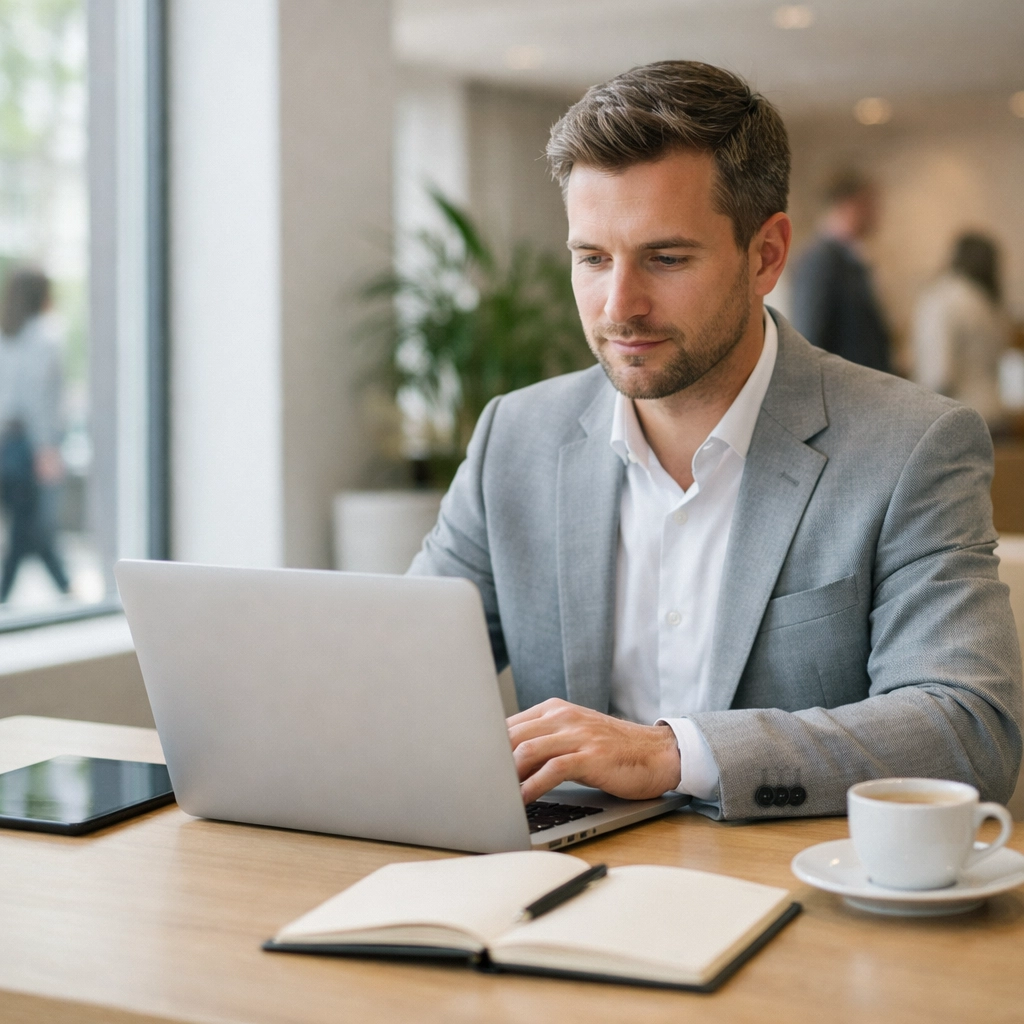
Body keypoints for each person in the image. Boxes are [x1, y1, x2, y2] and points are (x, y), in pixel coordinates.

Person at [409, 61, 1022, 820]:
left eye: (666, 259)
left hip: (793, 891)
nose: (618, 306)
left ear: (766, 254)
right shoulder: (515, 436)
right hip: (560, 888)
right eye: (592, 259)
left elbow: (969, 731)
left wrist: (671, 754)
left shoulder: (912, 446)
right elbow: (406, 674)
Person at [0, 266, 70, 603]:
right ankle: (65, 588)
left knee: (25, 523)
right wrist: (46, 448)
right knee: (31, 524)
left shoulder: (7, 335)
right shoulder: (45, 335)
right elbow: (38, 398)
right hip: (26, 445)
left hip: (5, 443)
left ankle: (64, 586)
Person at [790, 169, 892, 373]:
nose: (876, 213)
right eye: (870, 204)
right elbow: (810, 338)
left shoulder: (852, 257)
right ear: (848, 204)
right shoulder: (820, 260)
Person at [912, 232, 1009, 429]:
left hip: (958, 419)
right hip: (994, 412)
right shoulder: (988, 303)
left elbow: (938, 374)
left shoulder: (942, 299)